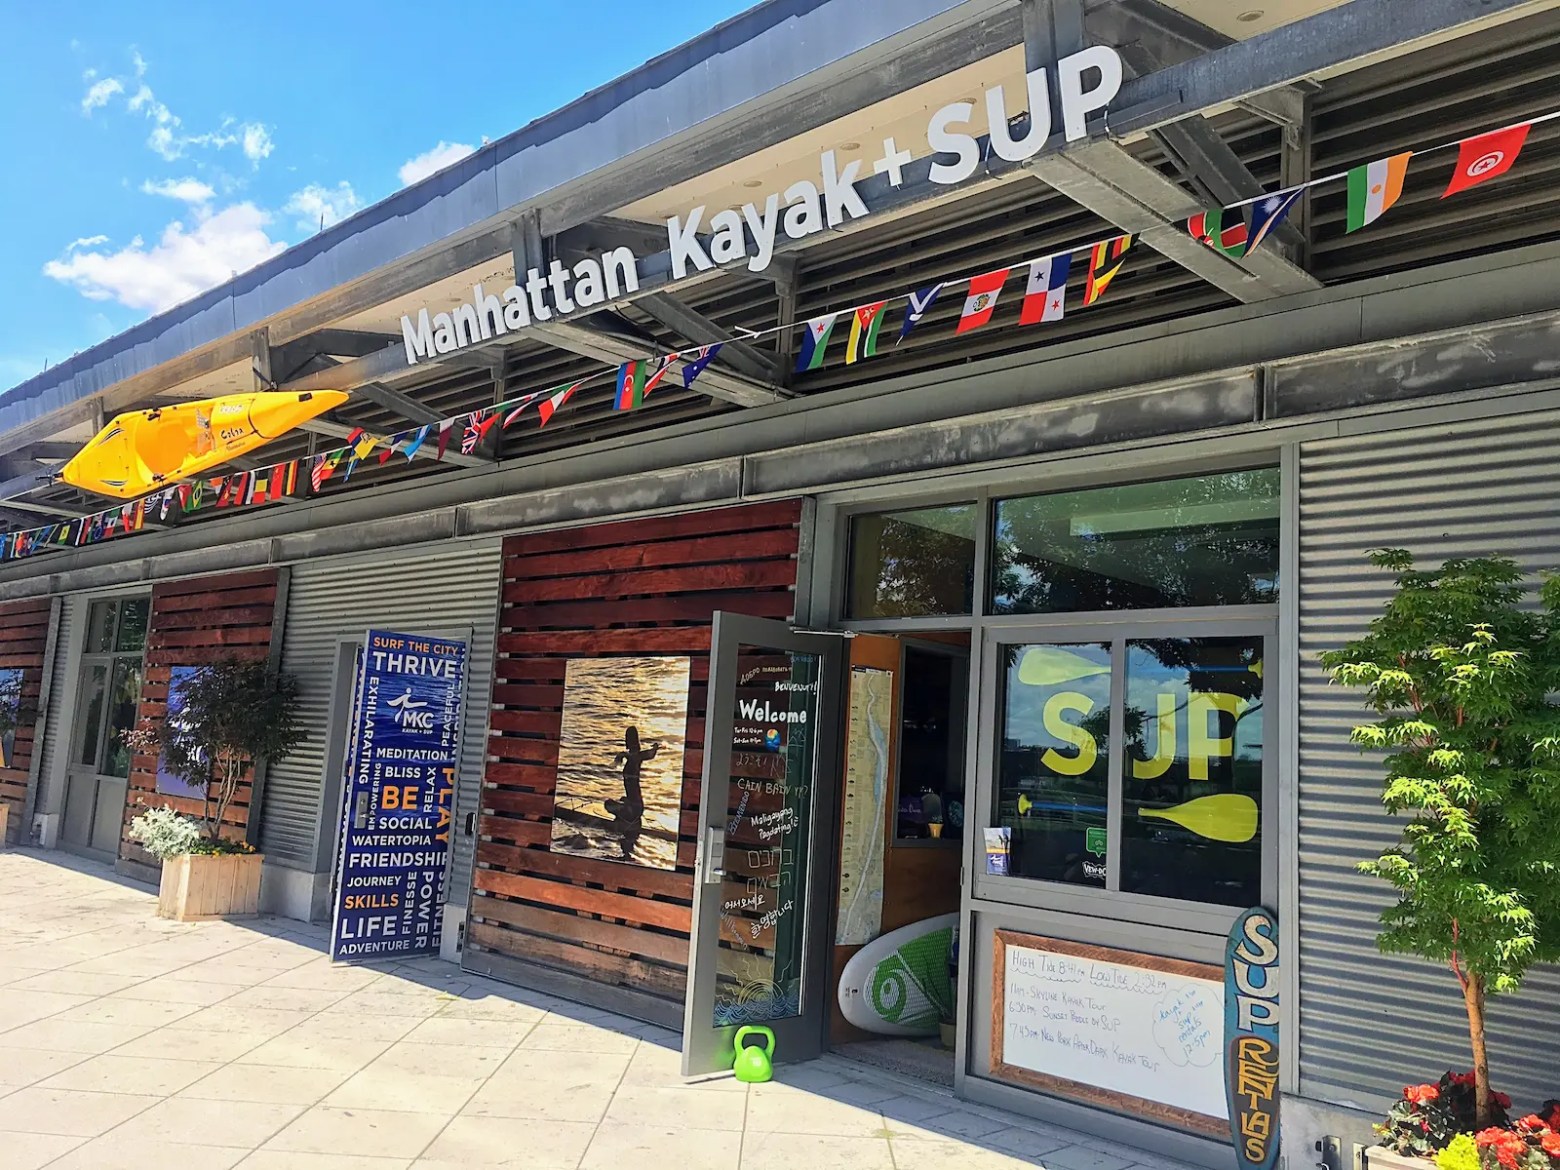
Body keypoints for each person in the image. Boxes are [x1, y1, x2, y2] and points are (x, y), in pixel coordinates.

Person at [613, 726, 660, 813]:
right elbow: (648, 754)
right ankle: (630, 808)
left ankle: (631, 810)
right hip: (631, 787)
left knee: (613, 803)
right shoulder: (634, 755)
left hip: (633, 791)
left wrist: (654, 749)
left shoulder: (636, 755)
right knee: (626, 798)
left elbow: (643, 755)